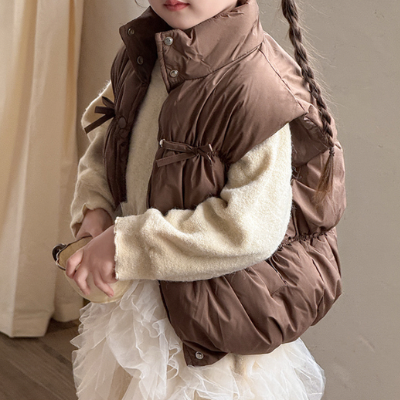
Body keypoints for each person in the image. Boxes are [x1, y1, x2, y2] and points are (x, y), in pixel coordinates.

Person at [66, 0, 346, 399]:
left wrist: (123, 243)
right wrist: (95, 208)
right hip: (142, 302)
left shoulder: (255, 86)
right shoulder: (144, 52)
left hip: (213, 329)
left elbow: (247, 228)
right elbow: (109, 139)